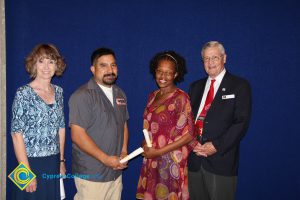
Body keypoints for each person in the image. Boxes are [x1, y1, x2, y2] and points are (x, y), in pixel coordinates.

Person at [188, 41, 252, 200]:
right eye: (206, 59)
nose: (210, 63)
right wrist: (191, 143)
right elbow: (187, 120)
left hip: (221, 162)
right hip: (194, 161)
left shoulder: (239, 86)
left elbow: (241, 123)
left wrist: (216, 145)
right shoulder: (195, 87)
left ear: (224, 58)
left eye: (214, 58)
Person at [69, 47, 129, 200]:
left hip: (115, 172)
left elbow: (123, 125)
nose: (110, 70)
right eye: (103, 65)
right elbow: (77, 135)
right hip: (92, 174)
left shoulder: (120, 93)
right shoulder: (82, 96)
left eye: (113, 65)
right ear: (93, 69)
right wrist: (106, 159)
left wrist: (123, 152)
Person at [136, 51, 197, 200]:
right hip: (152, 160)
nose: (163, 77)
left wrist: (158, 152)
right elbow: (149, 126)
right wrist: (145, 142)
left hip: (170, 164)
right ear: (154, 71)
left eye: (168, 73)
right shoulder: (152, 96)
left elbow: (189, 134)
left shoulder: (181, 98)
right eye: (159, 71)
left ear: (176, 74)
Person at [10, 44, 67, 199]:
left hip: (53, 161)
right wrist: (26, 172)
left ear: (57, 65)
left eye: (51, 61)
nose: (46, 66)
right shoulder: (23, 93)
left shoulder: (59, 92)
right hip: (28, 162)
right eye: (41, 61)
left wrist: (61, 160)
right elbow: (16, 134)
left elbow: (61, 128)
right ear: (34, 64)